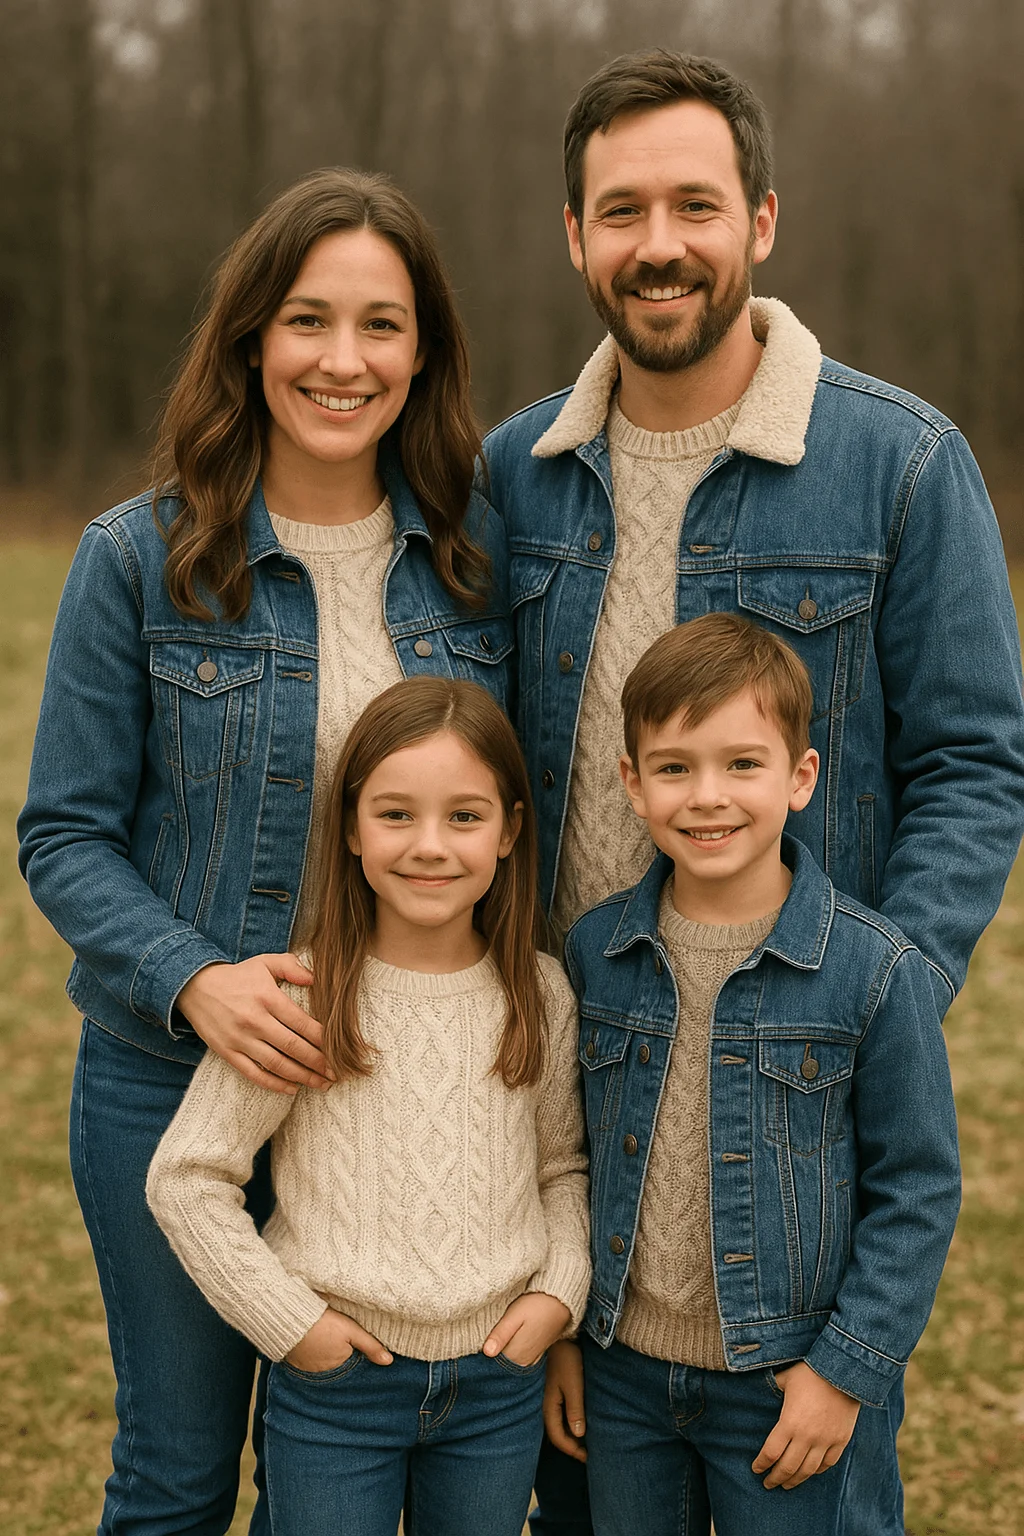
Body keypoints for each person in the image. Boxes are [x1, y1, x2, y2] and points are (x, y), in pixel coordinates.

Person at [479, 52, 1024, 1528]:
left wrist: (876, 993)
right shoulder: (514, 473)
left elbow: (975, 760)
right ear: (575, 235)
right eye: (622, 210)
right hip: (573, 1087)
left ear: (761, 222)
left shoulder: (898, 460)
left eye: (696, 205)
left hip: (796, 1090)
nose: (661, 242)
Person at [18, 168, 514, 1535]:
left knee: (360, 1477)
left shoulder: (474, 568)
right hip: (174, 1083)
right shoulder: (142, 559)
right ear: (251, 340)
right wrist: (197, 980)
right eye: (307, 320)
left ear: (423, 354)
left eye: (381, 325)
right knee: (177, 1479)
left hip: (398, 1094)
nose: (342, 360)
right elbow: (62, 833)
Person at [145, 675, 590, 1536]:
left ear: (509, 831)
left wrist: (560, 1293)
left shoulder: (539, 990)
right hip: (337, 1389)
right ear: (350, 828)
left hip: (498, 1381)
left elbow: (562, 1167)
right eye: (395, 815)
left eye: (465, 816)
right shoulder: (306, 994)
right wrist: (294, 1327)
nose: (430, 845)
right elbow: (187, 1179)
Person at [547, 613, 959, 1535]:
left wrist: (845, 1372)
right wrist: (569, 1333)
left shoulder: (873, 970)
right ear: (631, 782)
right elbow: (564, 1158)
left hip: (788, 1379)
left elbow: (919, 1187)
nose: (708, 797)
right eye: (674, 767)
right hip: (624, 1371)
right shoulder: (595, 953)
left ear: (800, 778)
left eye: (742, 764)